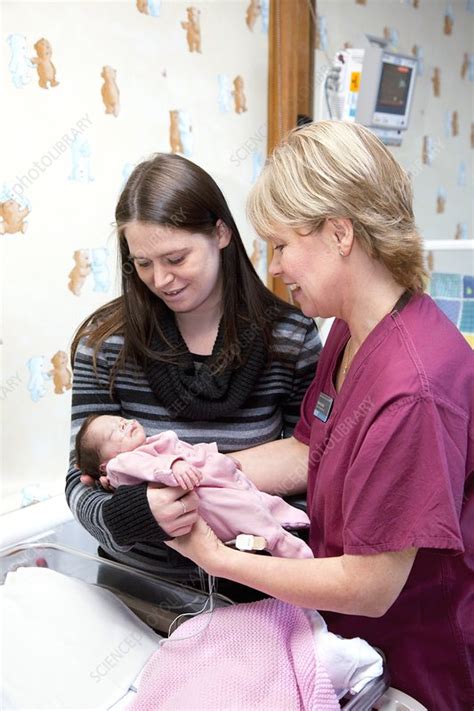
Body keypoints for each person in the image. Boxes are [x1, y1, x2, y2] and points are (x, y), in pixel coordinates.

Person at [163, 121, 474, 710]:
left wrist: (215, 557)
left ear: (339, 233)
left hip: (419, 664)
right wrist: (198, 470)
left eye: (280, 245)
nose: (275, 267)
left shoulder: (415, 387)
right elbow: (311, 449)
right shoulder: (353, 330)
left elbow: (370, 586)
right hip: (359, 648)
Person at [66, 152, 321, 593]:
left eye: (176, 258)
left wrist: (204, 482)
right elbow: (81, 478)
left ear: (220, 233)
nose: (161, 279)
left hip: (256, 589)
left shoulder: (290, 337)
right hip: (134, 586)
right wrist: (129, 515)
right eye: (143, 263)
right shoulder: (103, 343)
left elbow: (315, 466)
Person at [74, 413, 312, 558]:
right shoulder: (121, 463)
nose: (124, 425)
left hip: (216, 479)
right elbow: (149, 468)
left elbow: (191, 450)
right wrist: (174, 466)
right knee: (243, 510)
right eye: (112, 433)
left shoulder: (151, 443)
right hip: (201, 495)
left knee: (257, 500)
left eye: (121, 421)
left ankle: (286, 519)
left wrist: (217, 457)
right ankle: (282, 543)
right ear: (104, 466)